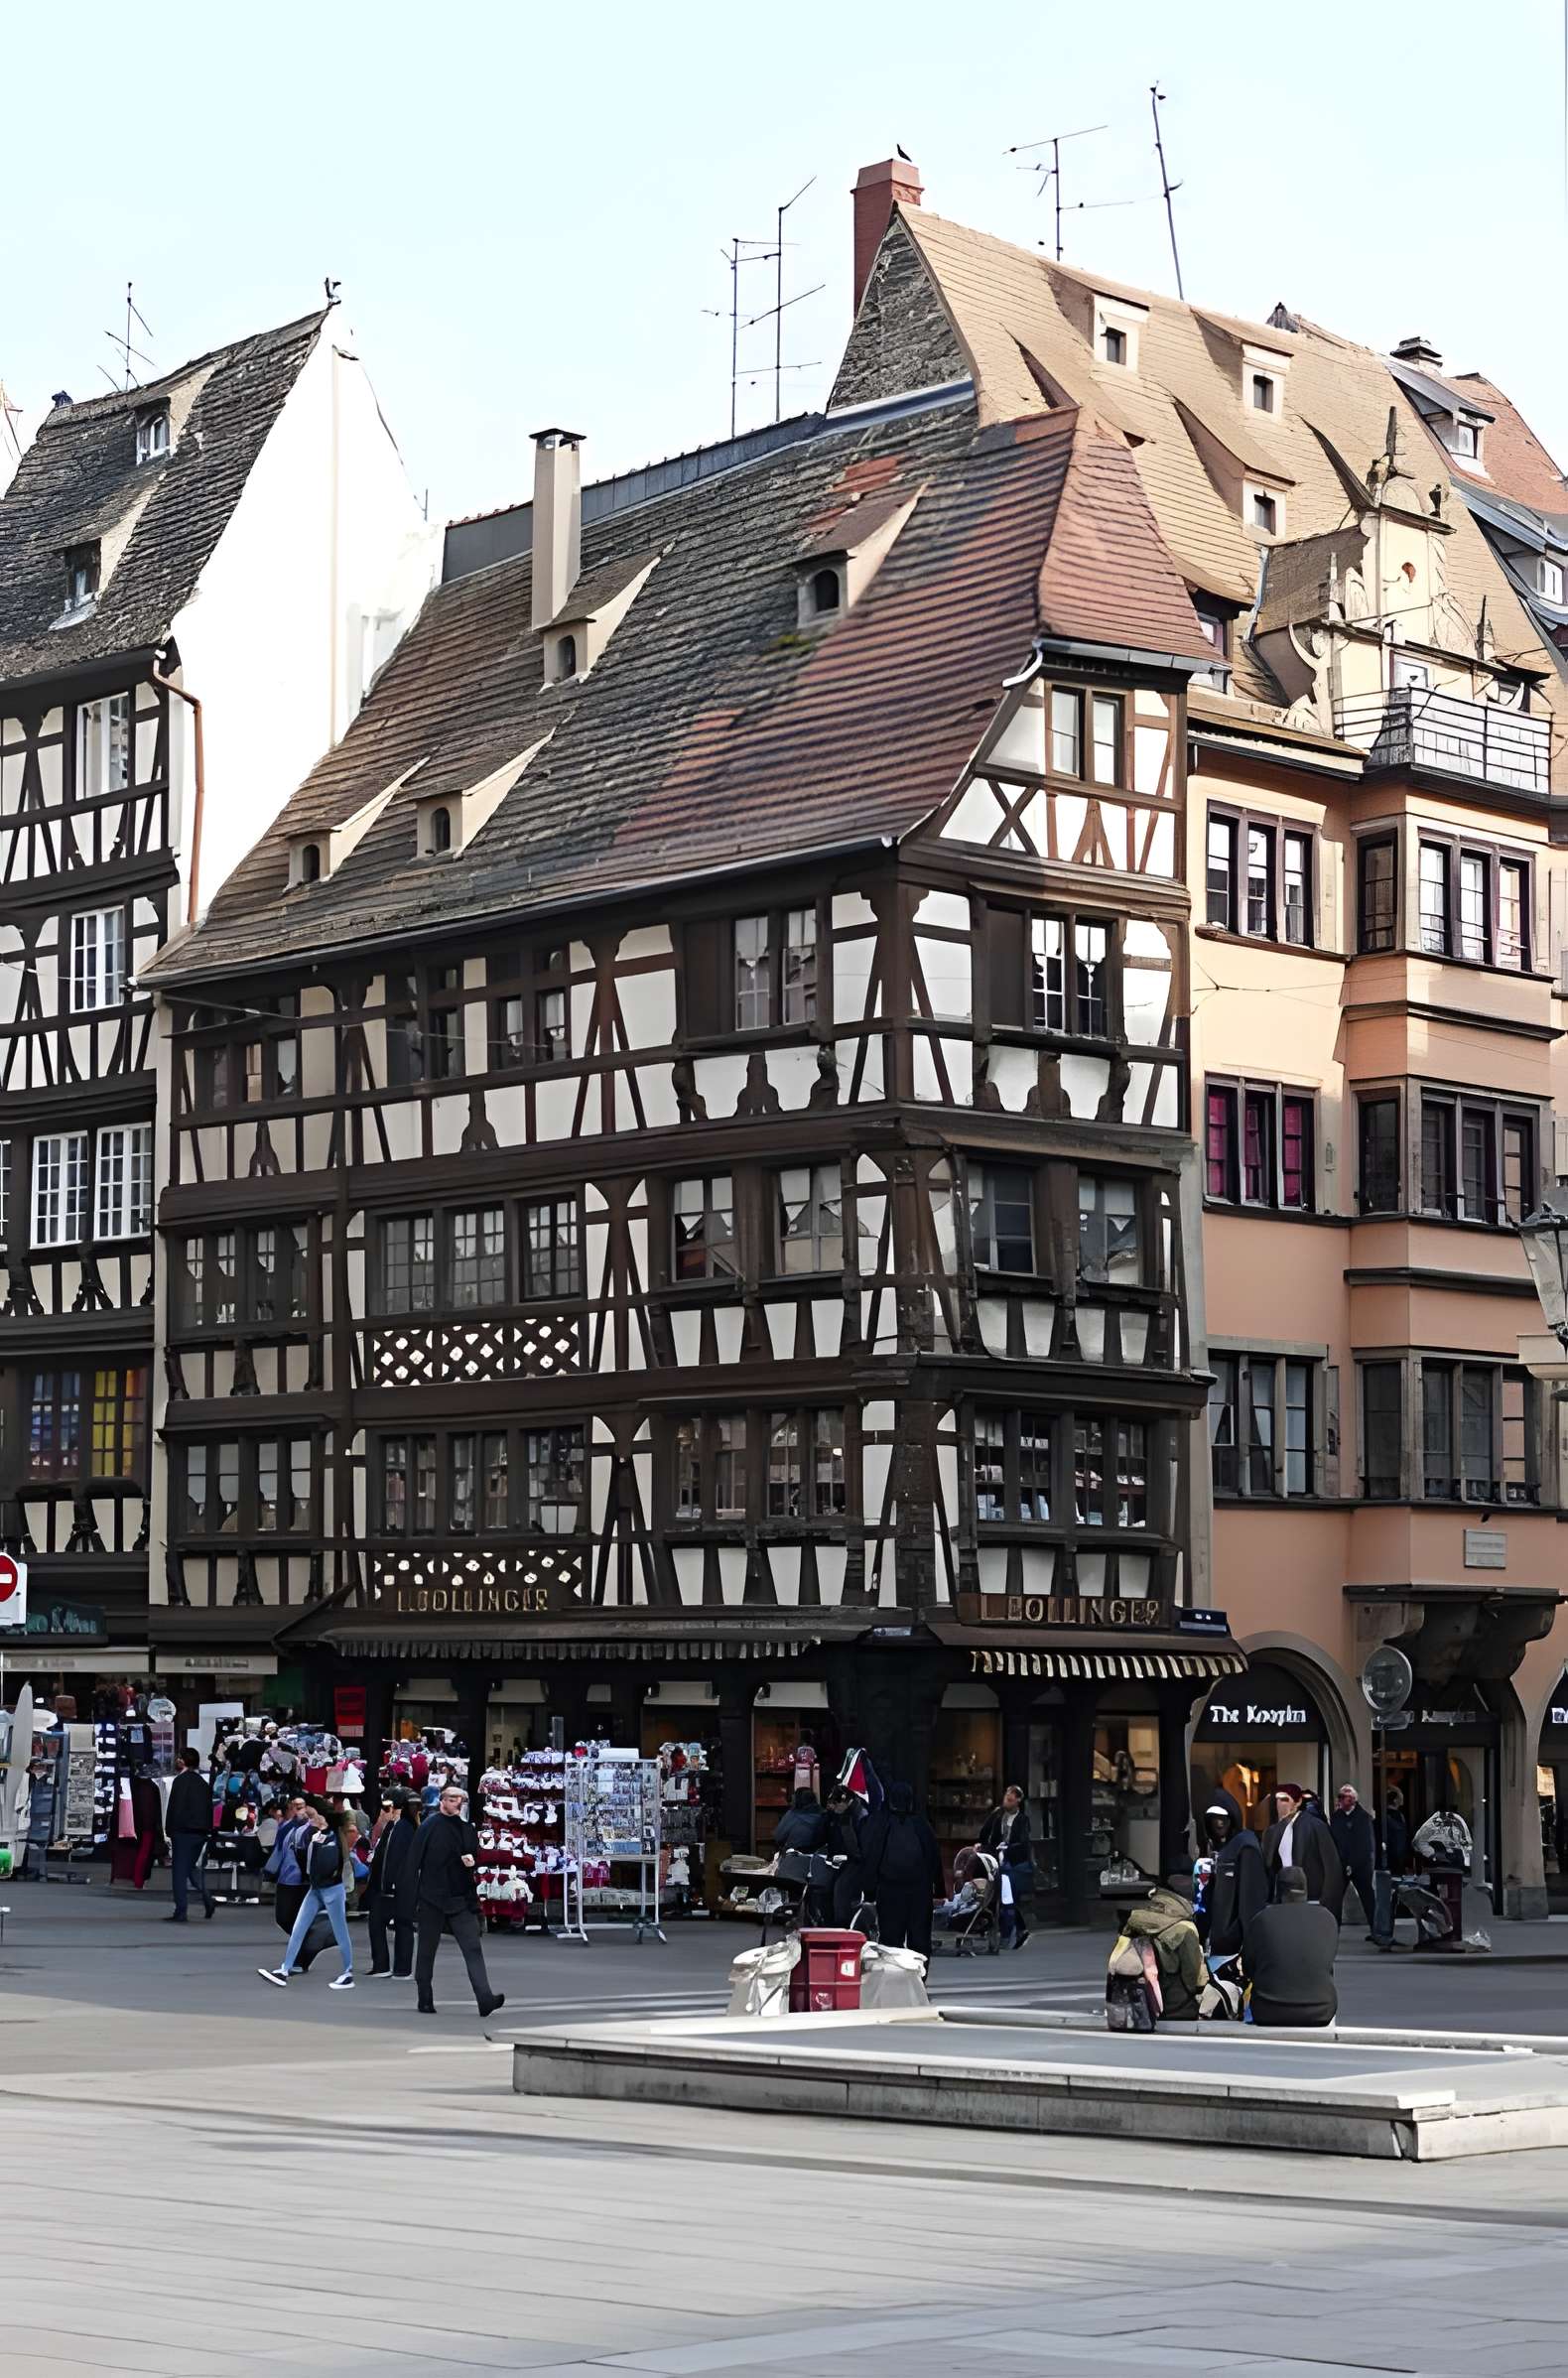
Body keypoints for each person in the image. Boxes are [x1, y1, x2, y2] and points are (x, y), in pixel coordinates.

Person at [409, 1780, 505, 2017]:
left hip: (459, 1898)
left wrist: (471, 1858)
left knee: (473, 1947)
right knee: (426, 1950)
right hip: (432, 1898)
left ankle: (485, 1998)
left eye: (460, 1800)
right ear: (442, 1800)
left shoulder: (465, 1829)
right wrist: (410, 1901)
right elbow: (413, 1862)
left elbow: (473, 1853)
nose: (457, 1803)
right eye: (452, 1799)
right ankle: (424, 1998)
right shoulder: (428, 1827)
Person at [257, 1807, 356, 1990]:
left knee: (340, 1932)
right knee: (298, 1928)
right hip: (317, 1888)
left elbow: (326, 1865)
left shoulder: (332, 1838)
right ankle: (285, 1969)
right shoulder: (318, 1835)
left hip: (330, 1890)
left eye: (316, 1815)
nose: (312, 1818)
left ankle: (348, 1972)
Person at [1244, 1864, 1339, 2027]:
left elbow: (1249, 1967)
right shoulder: (1327, 1919)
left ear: (1278, 1891)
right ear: (1306, 1890)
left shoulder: (1262, 1919)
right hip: (1321, 2010)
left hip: (1268, 2010)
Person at [857, 1781, 944, 1957]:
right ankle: (919, 1976)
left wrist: (869, 1889)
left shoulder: (880, 1823)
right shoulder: (921, 1825)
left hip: (890, 1889)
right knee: (919, 1937)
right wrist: (939, 1889)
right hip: (919, 1890)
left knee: (891, 1937)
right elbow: (933, 1857)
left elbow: (872, 1856)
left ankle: (893, 1975)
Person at [1115, 1884, 1206, 2023]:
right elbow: (1191, 1974)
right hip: (1176, 2006)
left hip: (1139, 2002)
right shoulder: (1186, 1929)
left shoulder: (1139, 1922)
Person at [1262, 1783, 1344, 1917]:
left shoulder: (1316, 1826)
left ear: (1298, 1801)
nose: (1279, 1804)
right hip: (1283, 1898)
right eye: (1276, 1799)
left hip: (1311, 1898)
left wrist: (1326, 1902)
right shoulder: (1273, 1831)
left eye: (1284, 1799)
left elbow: (1332, 1868)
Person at [1198, 1801, 1266, 1959]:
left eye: (1223, 1819)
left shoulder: (1245, 1846)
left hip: (1234, 1944)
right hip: (1219, 1941)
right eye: (1213, 1819)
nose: (1219, 1824)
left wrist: (1249, 1942)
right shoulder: (1220, 1847)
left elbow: (1251, 1898)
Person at [367, 1790, 421, 1978]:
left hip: (399, 1886)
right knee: (378, 1922)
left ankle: (401, 1968)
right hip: (386, 1886)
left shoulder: (405, 1828)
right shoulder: (393, 1826)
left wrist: (394, 1882)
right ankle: (382, 1966)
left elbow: (400, 1859)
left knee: (402, 1924)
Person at [980, 1784, 1034, 1949]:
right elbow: (987, 1835)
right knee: (1000, 1898)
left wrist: (1008, 1848)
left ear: (1018, 1801)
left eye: (1010, 1800)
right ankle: (1018, 1930)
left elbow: (1024, 1843)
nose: (1007, 1802)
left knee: (1007, 1900)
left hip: (1013, 1863)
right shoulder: (999, 1817)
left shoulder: (1022, 1820)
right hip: (999, 1861)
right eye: (1006, 1798)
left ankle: (1006, 1934)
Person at [164, 1748, 215, 1923]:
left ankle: (181, 1910)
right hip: (200, 1832)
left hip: (183, 1831)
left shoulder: (180, 1781)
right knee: (190, 1868)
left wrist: (169, 1829)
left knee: (179, 1871)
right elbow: (209, 1808)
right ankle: (207, 1897)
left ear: (182, 1761)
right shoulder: (202, 1782)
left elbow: (175, 1807)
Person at [1330, 1784, 1379, 1938]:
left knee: (1368, 1898)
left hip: (1360, 1864)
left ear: (1352, 1800)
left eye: (1343, 1797)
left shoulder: (1363, 1817)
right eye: (1339, 1797)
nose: (1340, 1801)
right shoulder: (1336, 1817)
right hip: (1341, 1863)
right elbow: (1335, 1840)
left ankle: (1377, 1930)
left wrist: (1352, 1864)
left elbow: (1363, 1844)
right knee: (1335, 1898)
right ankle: (1332, 1931)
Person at [265, 1796, 311, 1943]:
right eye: (294, 1806)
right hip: (286, 1877)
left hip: (299, 1878)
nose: (296, 1810)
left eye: (300, 1806)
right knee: (284, 1917)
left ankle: (301, 1941)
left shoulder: (309, 1827)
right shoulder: (286, 1826)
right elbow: (279, 1849)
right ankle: (301, 1939)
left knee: (290, 1916)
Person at [822, 1787, 865, 1927]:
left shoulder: (859, 1816)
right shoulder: (847, 1814)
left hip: (856, 1861)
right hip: (847, 1858)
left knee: (841, 1888)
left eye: (835, 1805)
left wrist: (853, 1856)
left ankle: (841, 1923)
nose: (832, 1808)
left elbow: (859, 1844)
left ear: (843, 1802)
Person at [773, 1787, 828, 1855]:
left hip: (795, 1857)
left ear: (797, 1801)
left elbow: (778, 1837)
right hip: (820, 1858)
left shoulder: (792, 1815)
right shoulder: (825, 1814)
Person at [1382, 1785, 1410, 1874]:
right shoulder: (1397, 1816)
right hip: (1396, 1857)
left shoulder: (1385, 1815)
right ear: (1395, 1800)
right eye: (1400, 1797)